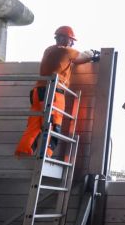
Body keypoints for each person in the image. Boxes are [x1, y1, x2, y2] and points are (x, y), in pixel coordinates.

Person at [14, 25, 97, 158]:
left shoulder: (48, 50)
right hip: (53, 92)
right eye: (71, 40)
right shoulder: (66, 51)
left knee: (34, 124)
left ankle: (23, 151)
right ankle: (45, 155)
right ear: (65, 39)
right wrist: (92, 53)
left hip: (37, 92)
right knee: (53, 123)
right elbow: (83, 57)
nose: (72, 43)